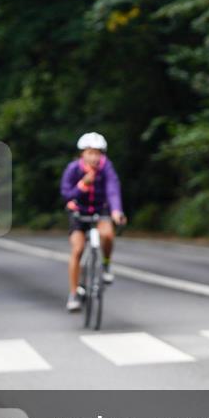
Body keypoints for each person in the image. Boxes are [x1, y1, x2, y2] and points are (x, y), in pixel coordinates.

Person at [60, 132, 126, 312]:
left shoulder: (106, 168)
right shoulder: (74, 169)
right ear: (82, 153)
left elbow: (113, 189)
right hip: (78, 210)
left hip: (100, 209)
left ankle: (106, 264)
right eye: (90, 153)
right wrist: (83, 185)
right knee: (78, 249)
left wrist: (116, 211)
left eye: (98, 153)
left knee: (108, 235)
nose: (94, 157)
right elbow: (66, 194)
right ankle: (73, 293)